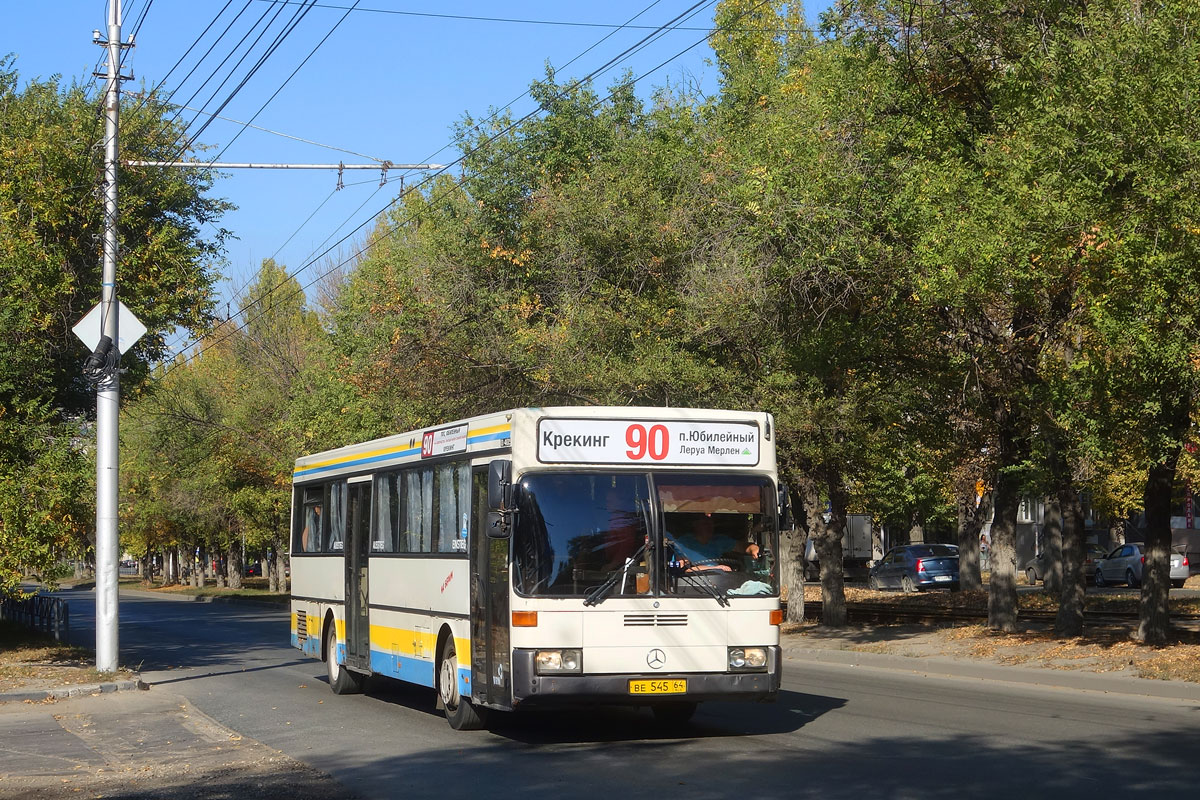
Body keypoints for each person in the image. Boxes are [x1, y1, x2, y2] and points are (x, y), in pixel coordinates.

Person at [671, 514, 759, 573]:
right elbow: (684, 568)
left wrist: (753, 549)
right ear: (695, 524)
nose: (709, 526)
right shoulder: (683, 542)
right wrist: (714, 568)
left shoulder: (719, 540)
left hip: (720, 582)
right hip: (693, 583)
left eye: (710, 523)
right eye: (705, 523)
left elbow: (742, 547)